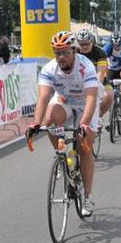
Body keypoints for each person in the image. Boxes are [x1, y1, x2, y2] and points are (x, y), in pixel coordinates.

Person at [27, 31, 100, 217]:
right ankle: (62, 158)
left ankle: (87, 197)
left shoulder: (86, 66)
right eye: (57, 52)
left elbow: (91, 98)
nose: (61, 57)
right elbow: (44, 97)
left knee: (84, 146)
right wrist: (35, 124)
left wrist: (84, 124)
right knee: (50, 119)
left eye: (65, 52)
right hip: (65, 102)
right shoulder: (49, 69)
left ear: (74, 51)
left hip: (86, 105)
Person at [76, 28, 112, 118]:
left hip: (97, 79)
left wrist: (96, 88)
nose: (84, 46)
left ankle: (98, 117)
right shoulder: (75, 52)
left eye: (87, 44)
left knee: (108, 96)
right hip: (79, 80)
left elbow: (101, 73)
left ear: (92, 42)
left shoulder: (100, 52)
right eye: (82, 44)